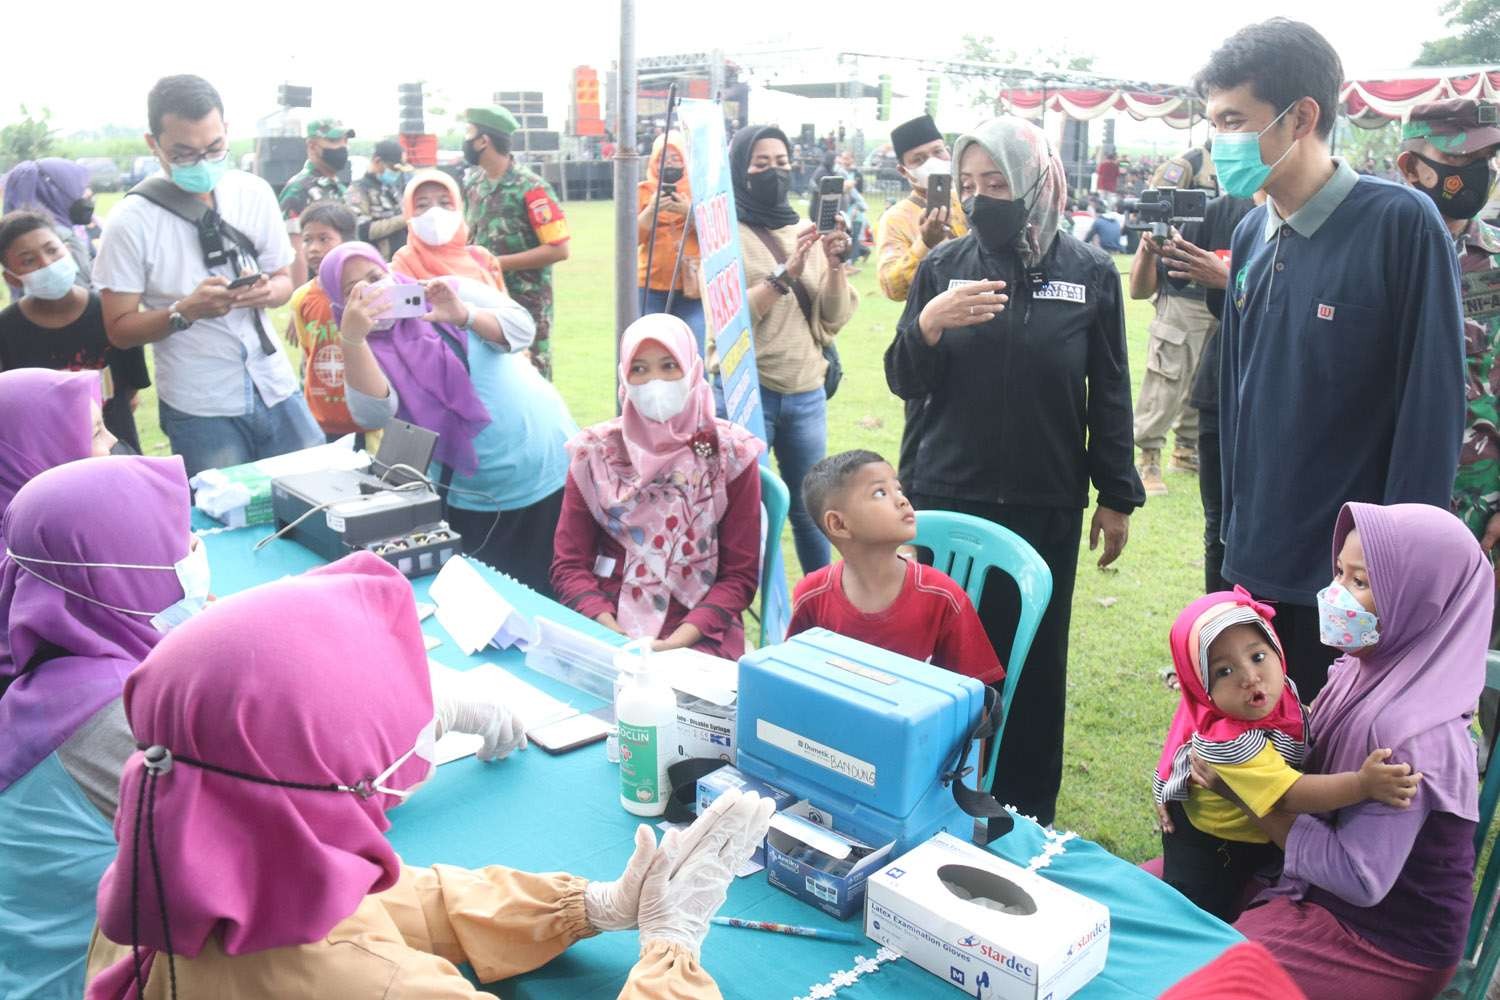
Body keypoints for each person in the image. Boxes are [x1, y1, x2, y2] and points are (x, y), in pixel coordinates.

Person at [81, 552, 775, 998]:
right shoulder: (375, 986)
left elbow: (398, 901)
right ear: (323, 777)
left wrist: (587, 906)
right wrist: (671, 952)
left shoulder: (164, 862)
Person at [883, 116, 1144, 825]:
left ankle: (1024, 810)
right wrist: (928, 322)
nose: (981, 197)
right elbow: (905, 379)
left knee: (1030, 667)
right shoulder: (941, 268)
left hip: (1043, 502)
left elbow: (1110, 389)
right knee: (937, 659)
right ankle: (926, 801)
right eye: (969, 185)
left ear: (1035, 180)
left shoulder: (1087, 272)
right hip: (946, 493)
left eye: (997, 182)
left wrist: (1116, 494)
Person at [1201, 19, 1465, 701]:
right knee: (1256, 769)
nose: (1219, 142)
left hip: (1350, 583)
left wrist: (1395, 579)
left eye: (1235, 119)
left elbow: (1431, 412)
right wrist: (1230, 542)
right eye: (1213, 122)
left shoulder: (1400, 226)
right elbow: (1235, 400)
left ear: (1301, 118)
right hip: (1253, 566)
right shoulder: (1251, 232)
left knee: (1339, 771)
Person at [1219, 503, 1490, 999]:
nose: (1336, 593)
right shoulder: (1361, 669)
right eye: (1340, 572)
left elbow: (1358, 878)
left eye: (1361, 581)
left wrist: (1250, 798)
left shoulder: (1412, 734)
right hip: (1306, 882)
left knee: (1203, 978)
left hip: (1382, 942)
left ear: (1420, 601)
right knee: (1147, 904)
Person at [0, 456, 199, 999]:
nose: (194, 551)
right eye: (179, 540)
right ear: (119, 569)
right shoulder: (121, 717)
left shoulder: (60, 674)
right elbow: (274, 830)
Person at [94, 74, 322, 478]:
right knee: (225, 517)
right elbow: (119, 328)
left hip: (274, 384)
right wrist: (184, 311)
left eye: (214, 148)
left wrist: (268, 292)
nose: (202, 161)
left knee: (314, 494)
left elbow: (285, 280)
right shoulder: (130, 222)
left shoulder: (252, 192)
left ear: (226, 132)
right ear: (154, 144)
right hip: (200, 401)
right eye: (183, 153)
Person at [324, 242, 576, 596]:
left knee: (564, 591)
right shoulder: (362, 347)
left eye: (376, 276)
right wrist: (352, 339)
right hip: (475, 497)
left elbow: (522, 331)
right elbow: (373, 412)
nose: (375, 290)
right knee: (494, 602)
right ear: (342, 303)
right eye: (356, 290)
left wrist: (464, 315)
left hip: (549, 471)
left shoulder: (444, 291)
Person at [1151, 588, 1419, 921]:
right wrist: (1363, 785)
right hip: (1213, 846)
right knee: (1199, 914)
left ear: (1276, 650)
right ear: (1202, 690)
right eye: (1224, 672)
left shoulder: (1278, 693)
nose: (1249, 677)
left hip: (1251, 827)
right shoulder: (1232, 745)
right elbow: (1291, 795)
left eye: (1258, 656)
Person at [551, 314, 763, 658]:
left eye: (668, 366)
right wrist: (612, 634)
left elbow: (738, 577)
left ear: (692, 371)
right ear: (624, 377)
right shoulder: (595, 453)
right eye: (639, 369)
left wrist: (677, 643)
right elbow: (569, 565)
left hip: (698, 628)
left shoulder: (726, 454)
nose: (655, 383)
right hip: (607, 622)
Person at [729, 124, 858, 576]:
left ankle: (818, 605)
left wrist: (836, 266)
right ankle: (766, 613)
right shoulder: (726, 235)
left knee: (812, 511)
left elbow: (832, 317)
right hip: (749, 393)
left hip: (806, 392)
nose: (774, 172)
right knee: (752, 511)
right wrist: (786, 273)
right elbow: (729, 321)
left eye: (782, 163)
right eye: (761, 164)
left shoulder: (807, 230)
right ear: (738, 169)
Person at [789, 449, 1004, 684]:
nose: (903, 500)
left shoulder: (943, 596)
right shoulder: (811, 595)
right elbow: (793, 678)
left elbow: (975, 700)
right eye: (880, 493)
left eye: (898, 489)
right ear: (838, 524)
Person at [1393, 100, 1500, 555]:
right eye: (1460, 159)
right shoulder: (1371, 255)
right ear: (1411, 167)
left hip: (1482, 514)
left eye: (1485, 159)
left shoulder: (1495, 262)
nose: (1478, 171)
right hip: (1379, 512)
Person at [1149, 192, 1260, 592]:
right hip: (1219, 389)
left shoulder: (1308, 226)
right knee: (1218, 526)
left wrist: (1230, 279)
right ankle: (1218, 635)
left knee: (1257, 526)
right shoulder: (1241, 221)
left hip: (1271, 399)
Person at [0, 211, 150, 451]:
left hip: (118, 449)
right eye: (28, 260)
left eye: (52, 250)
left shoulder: (110, 313)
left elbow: (130, 390)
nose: (47, 263)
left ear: (68, 250)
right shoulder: (7, 331)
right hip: (49, 459)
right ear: (13, 279)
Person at [874, 115, 969, 488]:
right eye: (918, 159)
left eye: (937, 152)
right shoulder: (898, 219)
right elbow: (891, 284)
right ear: (904, 170)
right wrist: (925, 242)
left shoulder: (974, 202)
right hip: (929, 344)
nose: (932, 162)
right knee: (923, 449)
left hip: (982, 336)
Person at [1128, 148, 1227, 495]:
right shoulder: (1190, 164)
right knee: (1168, 374)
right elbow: (1156, 206)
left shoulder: (1266, 162)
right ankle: (1148, 456)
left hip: (1228, 286)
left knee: (1208, 377)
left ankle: (1186, 450)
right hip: (1183, 287)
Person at [462, 105, 571, 380]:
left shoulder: (531, 188)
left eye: (469, 133)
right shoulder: (475, 184)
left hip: (526, 301)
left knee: (532, 373)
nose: (466, 141)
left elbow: (559, 248)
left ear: (483, 141)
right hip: (483, 300)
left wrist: (496, 264)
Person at [284, 201, 369, 445]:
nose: (313, 248)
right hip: (321, 416)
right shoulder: (301, 298)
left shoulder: (365, 293)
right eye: (307, 240)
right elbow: (308, 352)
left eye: (324, 239)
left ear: (347, 241)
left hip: (365, 418)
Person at [637, 131, 705, 356]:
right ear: (653, 162)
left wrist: (689, 212)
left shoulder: (700, 190)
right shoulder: (643, 191)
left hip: (692, 289)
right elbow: (631, 240)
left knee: (695, 354)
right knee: (650, 351)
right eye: (663, 159)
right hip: (650, 288)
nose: (670, 164)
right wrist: (651, 211)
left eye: (676, 158)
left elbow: (716, 236)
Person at [393, 168, 507, 290]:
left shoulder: (482, 258)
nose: (434, 212)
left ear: (459, 207)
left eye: (445, 202)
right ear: (408, 213)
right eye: (422, 205)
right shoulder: (404, 262)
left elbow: (508, 307)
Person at [278, 117, 354, 286]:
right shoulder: (299, 189)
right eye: (334, 141)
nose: (342, 147)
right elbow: (296, 251)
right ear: (312, 146)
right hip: (316, 290)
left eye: (345, 141)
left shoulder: (338, 187)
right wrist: (299, 301)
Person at [1, 158, 96, 285]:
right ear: (53, 192)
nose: (88, 193)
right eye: (80, 187)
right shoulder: (57, 238)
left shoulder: (15, 234)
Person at [345, 137, 410, 261]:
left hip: (401, 260)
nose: (397, 173)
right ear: (377, 161)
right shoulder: (358, 190)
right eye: (394, 169)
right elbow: (362, 230)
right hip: (378, 262)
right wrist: (404, 218)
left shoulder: (392, 189)